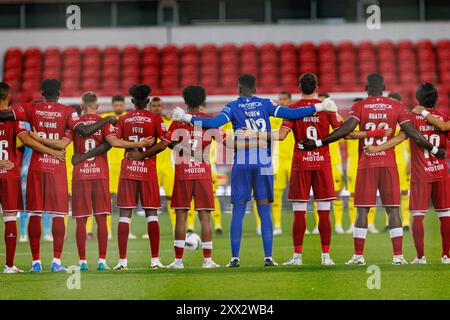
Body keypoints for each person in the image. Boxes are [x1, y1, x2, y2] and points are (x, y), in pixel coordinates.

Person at [172, 73, 338, 267]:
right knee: (264, 209)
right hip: (264, 163)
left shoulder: (233, 106)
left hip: (242, 163)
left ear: (238, 88)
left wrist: (185, 116)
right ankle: (268, 257)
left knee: (239, 211)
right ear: (256, 88)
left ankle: (235, 258)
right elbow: (292, 114)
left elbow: (214, 123)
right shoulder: (265, 104)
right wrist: (319, 106)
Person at [299, 73, 445, 265]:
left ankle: (358, 256)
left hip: (367, 163)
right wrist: (434, 149)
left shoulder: (359, 106)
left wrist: (318, 142)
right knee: (393, 210)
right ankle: (398, 256)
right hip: (388, 164)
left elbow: (345, 131)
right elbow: (412, 134)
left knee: (362, 209)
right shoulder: (396, 106)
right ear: (384, 86)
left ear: (365, 86)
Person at [1, 79, 116, 272]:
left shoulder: (31, 108)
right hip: (57, 168)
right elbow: (81, 133)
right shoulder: (67, 112)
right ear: (60, 93)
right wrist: (107, 119)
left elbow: (5, 115)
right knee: (57, 215)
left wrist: (38, 137)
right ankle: (56, 262)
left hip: (37, 167)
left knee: (35, 214)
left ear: (42, 93)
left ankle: (35, 263)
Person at [128, 86, 230, 268]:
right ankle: (207, 260)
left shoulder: (177, 123)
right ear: (202, 101)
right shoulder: (211, 122)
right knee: (205, 217)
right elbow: (228, 143)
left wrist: (141, 155)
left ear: (185, 102)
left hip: (183, 174)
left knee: (181, 216)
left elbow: (162, 145)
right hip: (203, 174)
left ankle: (178, 261)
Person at [76, 84, 166, 270]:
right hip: (148, 171)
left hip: (128, 170)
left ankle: (122, 261)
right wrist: (144, 153)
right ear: (148, 101)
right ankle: (155, 261)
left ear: (132, 101)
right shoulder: (156, 119)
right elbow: (165, 143)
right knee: (151, 215)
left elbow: (113, 142)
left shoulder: (123, 119)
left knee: (125, 215)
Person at [365, 83, 449, 264]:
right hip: (441, 171)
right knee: (445, 214)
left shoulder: (411, 119)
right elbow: (444, 129)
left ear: (418, 99)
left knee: (418, 215)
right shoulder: (443, 117)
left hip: (421, 174)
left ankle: (420, 257)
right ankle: (446, 256)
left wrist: (376, 148)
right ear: (436, 99)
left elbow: (398, 139)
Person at [0, 81, 66, 273]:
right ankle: (9, 265)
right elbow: (27, 139)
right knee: (10, 218)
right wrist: (52, 152)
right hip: (9, 173)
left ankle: (29, 262)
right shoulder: (14, 120)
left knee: (32, 212)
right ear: (9, 97)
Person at [254, 91, 294, 236]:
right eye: (280, 99)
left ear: (290, 99)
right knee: (276, 194)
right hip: (277, 161)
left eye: (285, 99)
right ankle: (277, 225)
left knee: (299, 194)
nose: (282, 101)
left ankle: (303, 226)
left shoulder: (294, 116)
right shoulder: (273, 118)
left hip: (293, 160)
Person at [148, 97, 176, 231]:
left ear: (162, 107)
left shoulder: (169, 122)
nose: (157, 108)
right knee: (152, 200)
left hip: (167, 166)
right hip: (151, 165)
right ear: (149, 107)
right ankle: (152, 230)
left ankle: (176, 227)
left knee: (171, 197)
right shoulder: (146, 122)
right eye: (154, 106)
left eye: (159, 106)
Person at [388, 92, 411, 232]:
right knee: (389, 193)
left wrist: (411, 162)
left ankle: (406, 222)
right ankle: (389, 223)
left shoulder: (406, 120)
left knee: (403, 192)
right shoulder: (384, 118)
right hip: (387, 161)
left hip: (403, 163)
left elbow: (415, 143)